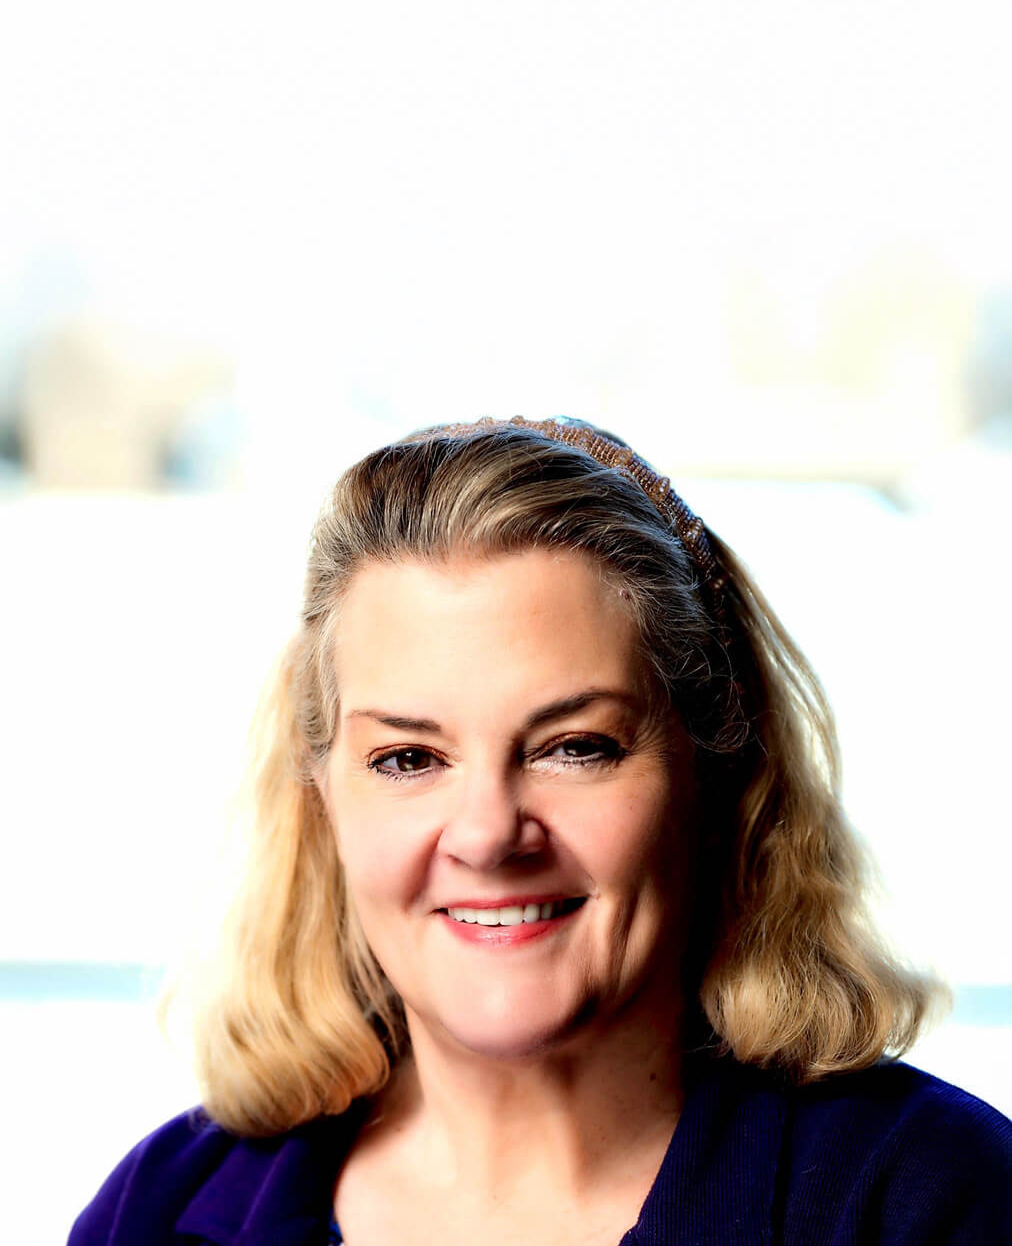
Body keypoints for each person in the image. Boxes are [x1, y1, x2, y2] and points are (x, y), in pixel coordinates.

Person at [69, 416, 1011, 1246]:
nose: (487, 833)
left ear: (719, 761)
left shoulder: (932, 1200)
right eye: (408, 758)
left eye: (575, 747)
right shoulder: (159, 1211)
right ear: (322, 798)